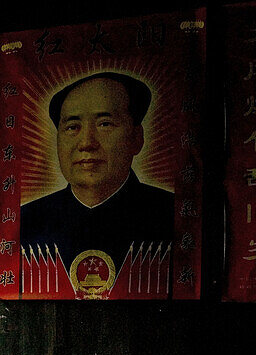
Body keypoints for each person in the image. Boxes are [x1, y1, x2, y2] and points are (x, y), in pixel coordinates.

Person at [19, 72, 174, 266]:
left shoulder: (172, 216)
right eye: (72, 127)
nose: (86, 143)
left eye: (105, 124)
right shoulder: (26, 223)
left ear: (137, 138)